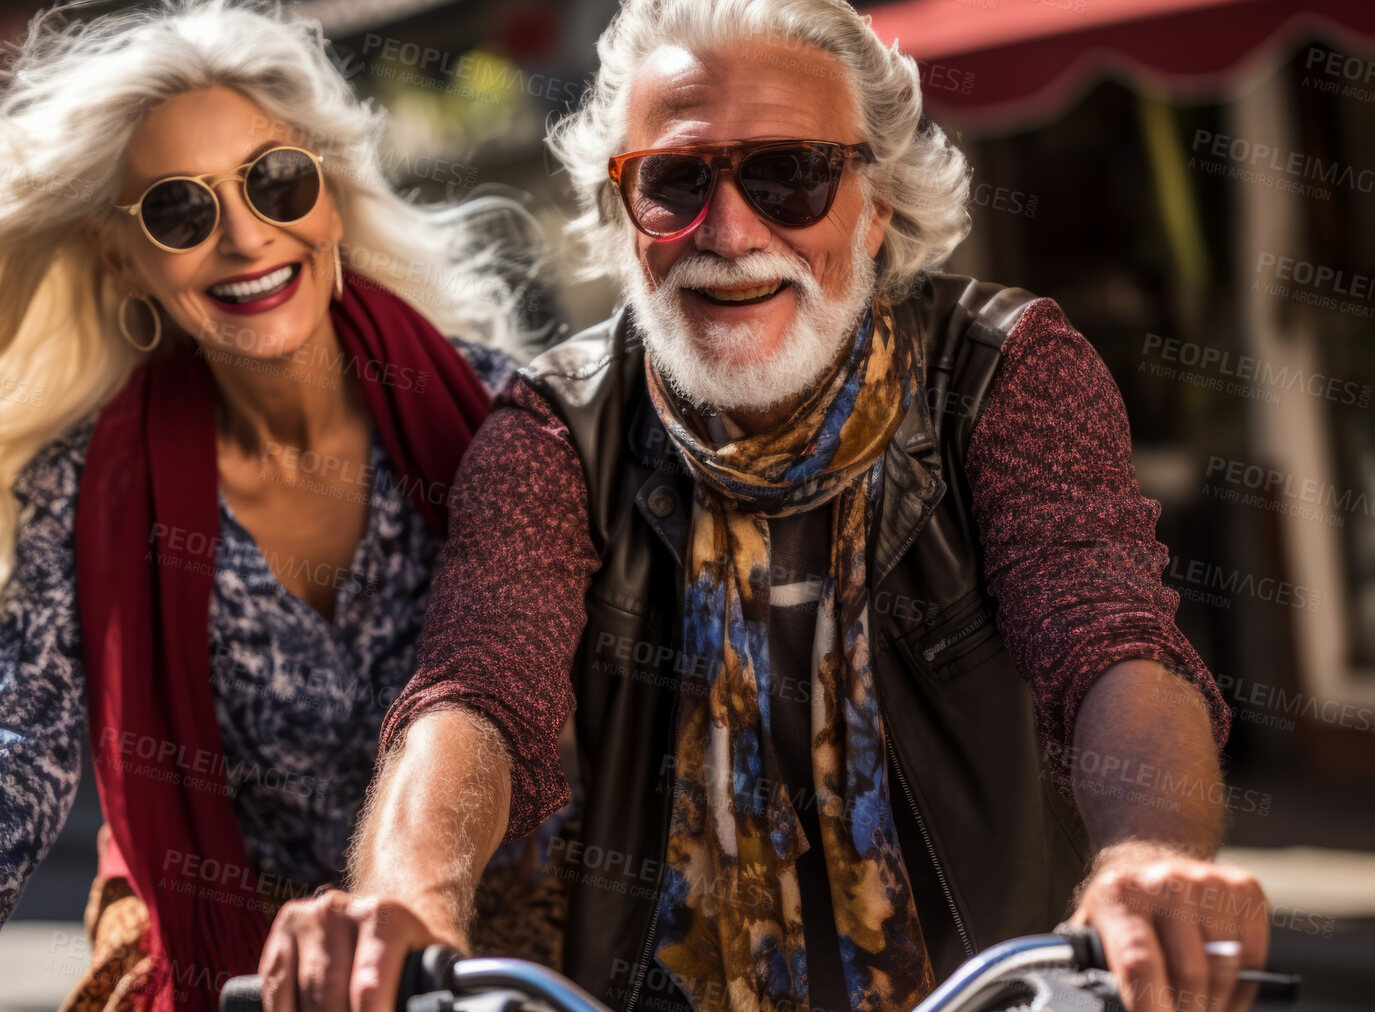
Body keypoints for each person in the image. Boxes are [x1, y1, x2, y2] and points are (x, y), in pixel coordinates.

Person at [257, 3, 1268, 1012]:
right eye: (676, 182)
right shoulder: (557, 427)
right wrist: (405, 898)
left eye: (791, 176)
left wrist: (1147, 854)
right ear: (622, 220)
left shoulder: (1003, 374)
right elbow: (476, 688)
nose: (732, 232)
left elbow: (1106, 635)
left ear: (875, 206)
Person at [0, 3, 541, 1011]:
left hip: (492, 940)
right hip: (236, 962)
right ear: (120, 256)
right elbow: (19, 725)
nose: (245, 236)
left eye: (275, 183)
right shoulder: (88, 481)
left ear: (329, 201)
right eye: (180, 212)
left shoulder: (502, 416)